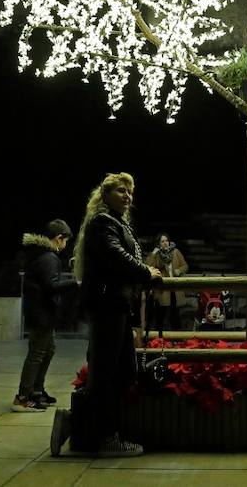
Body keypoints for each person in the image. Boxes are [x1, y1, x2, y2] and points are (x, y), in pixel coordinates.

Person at [52, 172, 161, 458]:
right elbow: (117, 257)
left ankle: (74, 423)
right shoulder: (103, 222)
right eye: (121, 191)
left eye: (130, 192)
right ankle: (104, 437)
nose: (128, 196)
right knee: (106, 374)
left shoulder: (116, 222)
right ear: (105, 195)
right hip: (107, 306)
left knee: (123, 372)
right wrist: (146, 271)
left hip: (117, 306)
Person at [13, 219, 79, 412]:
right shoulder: (49, 258)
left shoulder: (40, 254)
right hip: (41, 313)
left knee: (48, 350)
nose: (65, 245)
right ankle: (23, 397)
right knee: (37, 354)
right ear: (59, 238)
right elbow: (52, 285)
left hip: (41, 313)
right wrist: (76, 283)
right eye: (65, 240)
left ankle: (36, 390)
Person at [143, 233, 188, 334]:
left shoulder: (176, 252)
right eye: (162, 241)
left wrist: (179, 271)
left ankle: (177, 339)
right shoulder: (157, 255)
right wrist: (154, 253)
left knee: (175, 316)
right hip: (162, 289)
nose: (165, 243)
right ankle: (160, 339)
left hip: (175, 288)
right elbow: (147, 265)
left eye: (166, 241)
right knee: (161, 316)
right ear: (158, 244)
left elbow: (185, 265)